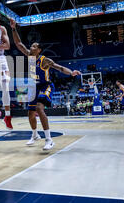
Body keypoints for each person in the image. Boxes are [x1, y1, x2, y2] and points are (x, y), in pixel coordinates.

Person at [10, 18, 81, 150]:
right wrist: (14, 28)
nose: (31, 47)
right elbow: (19, 43)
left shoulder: (45, 60)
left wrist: (71, 72)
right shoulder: (29, 56)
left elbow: (59, 67)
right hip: (33, 87)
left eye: (34, 46)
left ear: (39, 50)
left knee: (38, 108)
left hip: (45, 86)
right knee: (30, 114)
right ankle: (35, 135)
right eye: (31, 46)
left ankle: (49, 139)